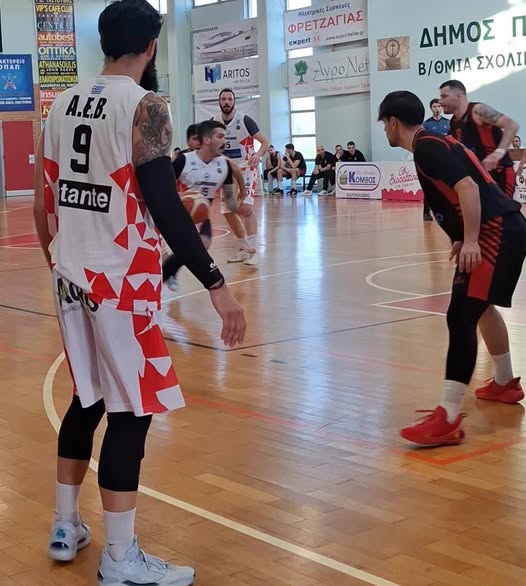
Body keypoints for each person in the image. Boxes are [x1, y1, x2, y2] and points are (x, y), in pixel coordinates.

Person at [32, 1, 246, 583]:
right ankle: (121, 559)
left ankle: (65, 524)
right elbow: (165, 207)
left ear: (103, 42)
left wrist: (59, 262)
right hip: (122, 279)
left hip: (70, 274)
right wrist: (216, 283)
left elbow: (42, 204)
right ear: (152, 46)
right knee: (132, 411)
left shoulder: (59, 105)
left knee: (87, 398)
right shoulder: (146, 105)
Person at [378, 90, 526, 447]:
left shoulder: (427, 147)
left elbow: (468, 187)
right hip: (499, 227)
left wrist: (472, 239)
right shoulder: (433, 143)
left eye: (384, 124)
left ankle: (447, 417)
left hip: (495, 231)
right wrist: (461, 237)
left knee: (460, 314)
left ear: (393, 122)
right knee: (479, 306)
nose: (384, 130)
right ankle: (504, 383)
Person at [163, 120, 247, 291]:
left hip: (201, 215)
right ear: (207, 140)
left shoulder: (224, 165)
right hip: (179, 212)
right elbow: (163, 187)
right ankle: (163, 274)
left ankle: (167, 270)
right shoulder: (184, 161)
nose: (225, 141)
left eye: (225, 137)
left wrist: (239, 206)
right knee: (191, 248)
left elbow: (229, 200)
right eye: (220, 136)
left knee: (203, 244)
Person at [214, 88, 269, 265]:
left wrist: (258, 155)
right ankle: (245, 248)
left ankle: (254, 251)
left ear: (234, 101)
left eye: (230, 99)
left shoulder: (244, 120)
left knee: (245, 208)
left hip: (246, 168)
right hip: (228, 171)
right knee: (228, 210)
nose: (227, 102)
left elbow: (265, 142)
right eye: (224, 99)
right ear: (219, 102)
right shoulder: (214, 122)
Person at [439, 79, 519, 199]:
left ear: (458, 96)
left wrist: (498, 153)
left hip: (499, 174)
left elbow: (512, 125)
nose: (440, 101)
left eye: (444, 96)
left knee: (504, 211)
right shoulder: (453, 123)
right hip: (478, 178)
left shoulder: (477, 110)